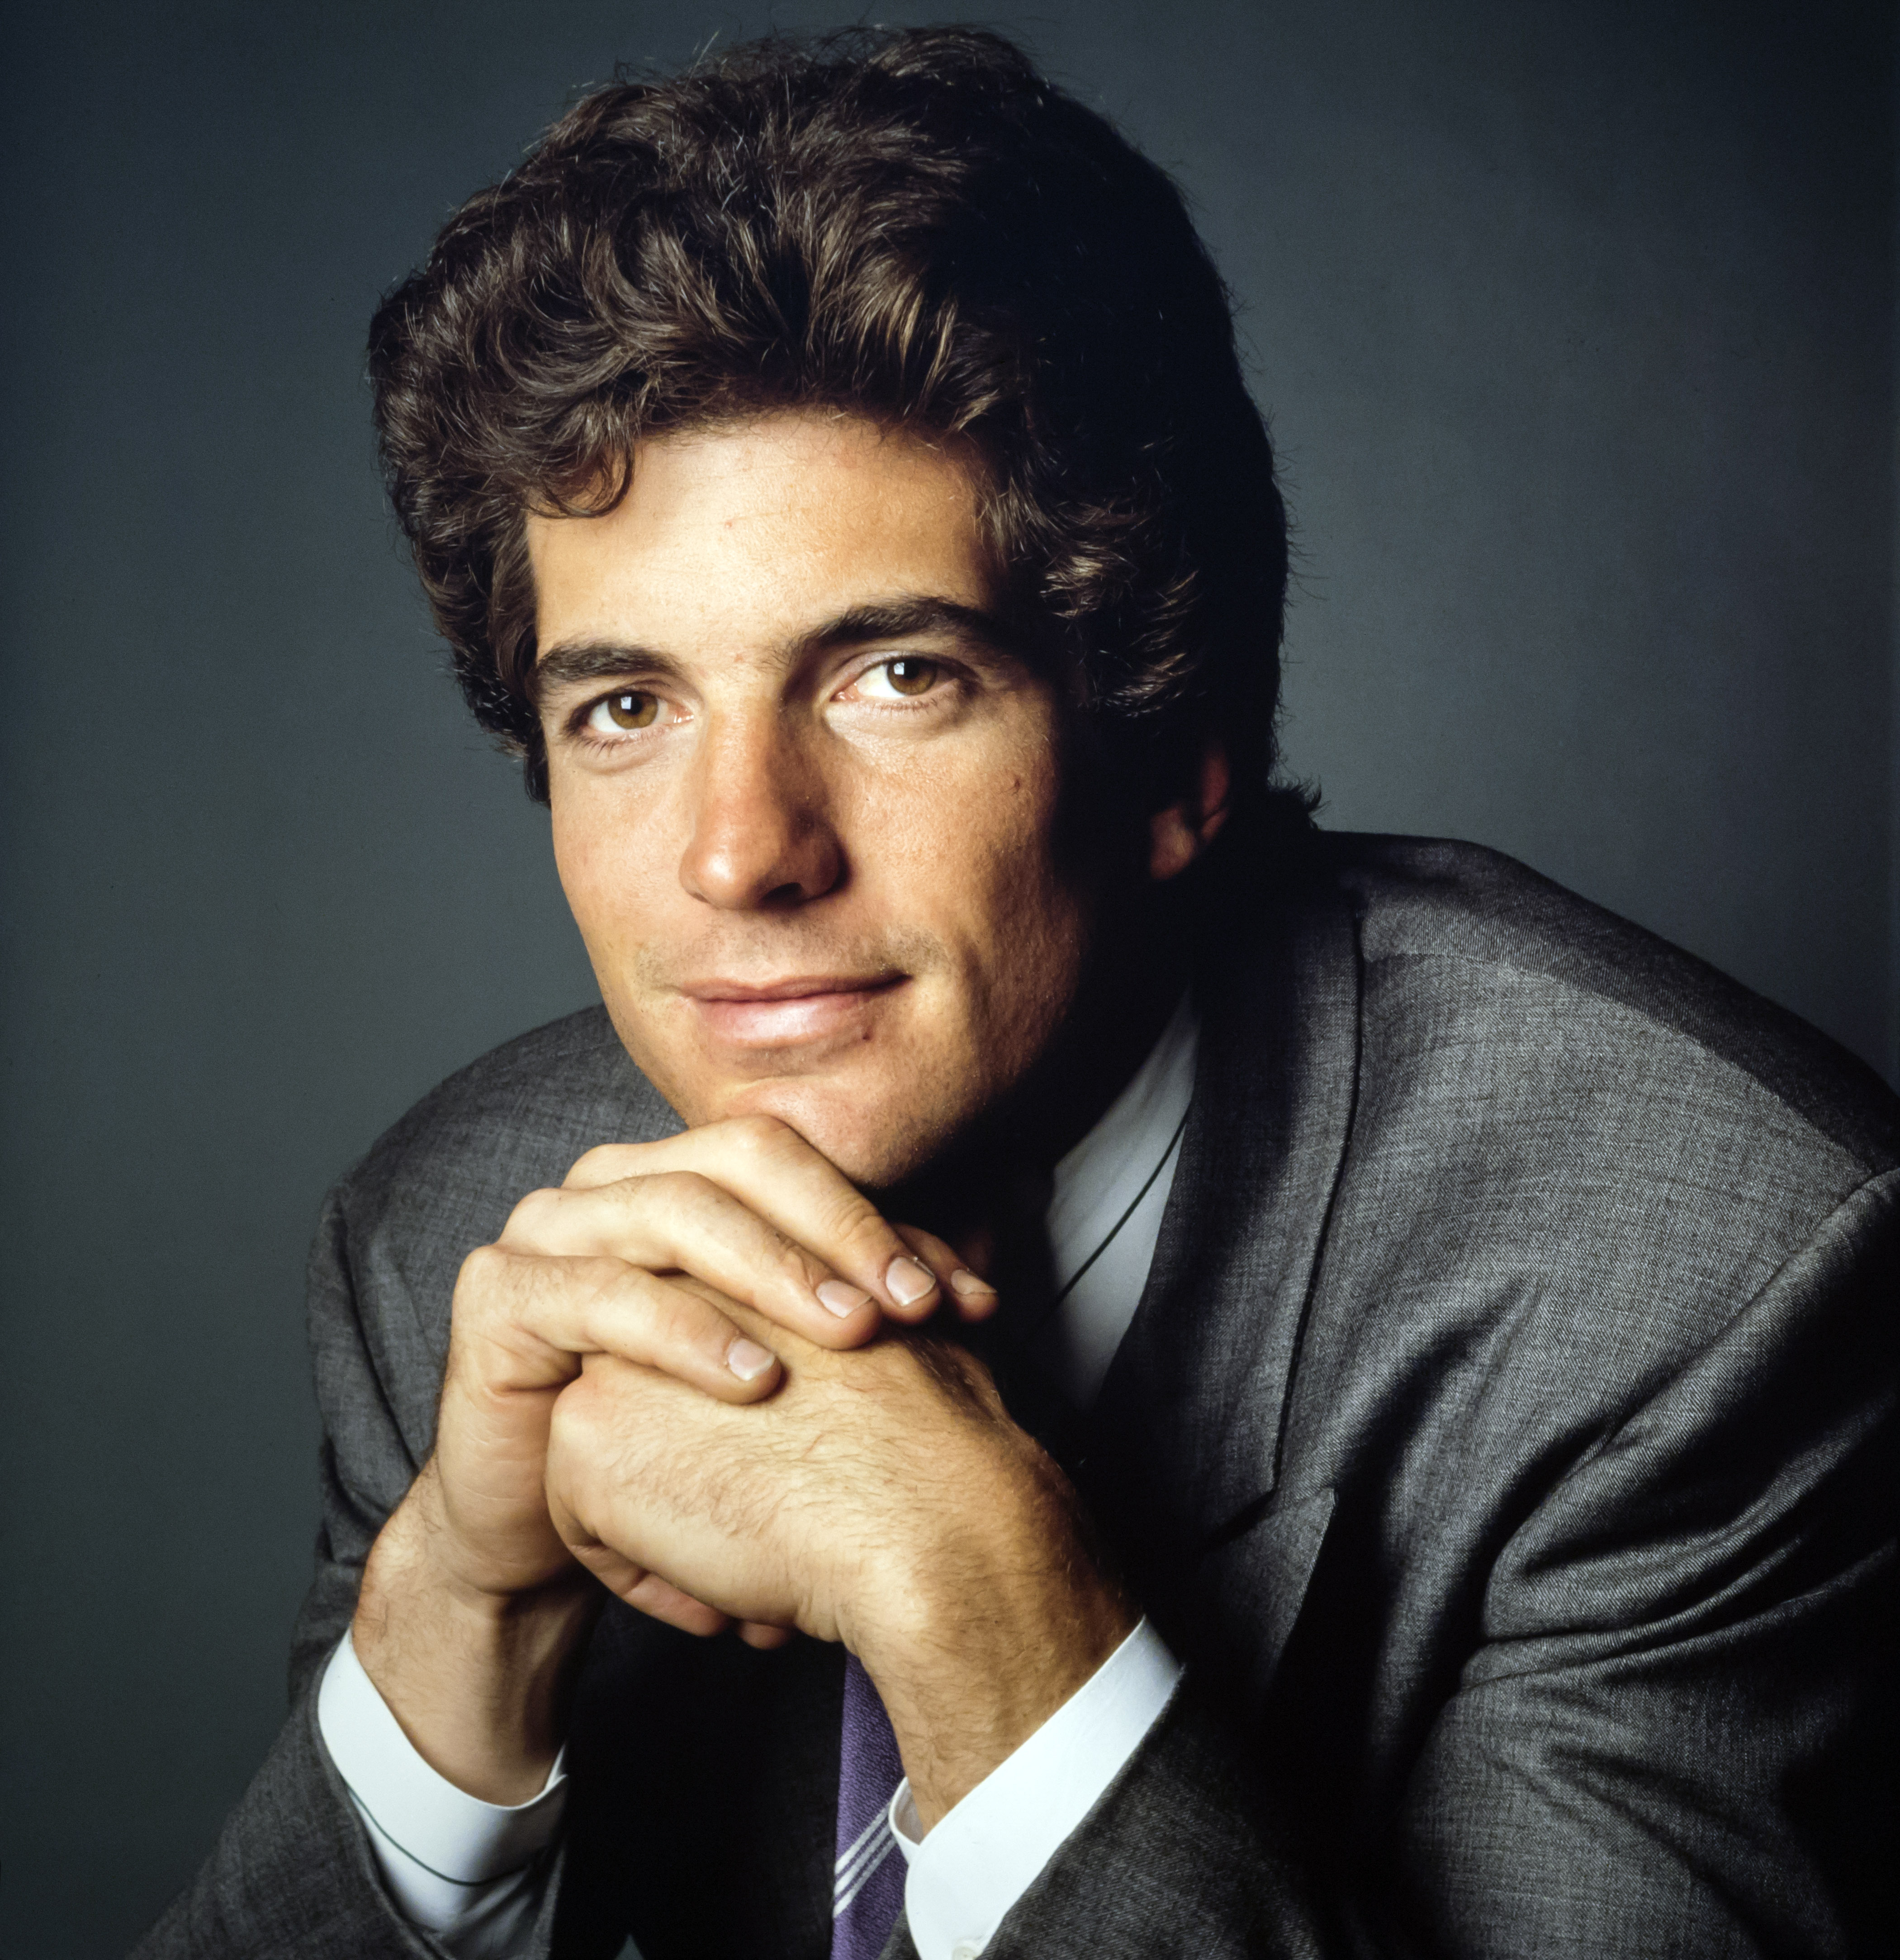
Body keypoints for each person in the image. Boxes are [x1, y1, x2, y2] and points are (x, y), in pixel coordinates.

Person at [136, 26, 1895, 1960]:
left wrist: (980, 1593)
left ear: (1176, 750)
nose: (740, 854)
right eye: (626, 706)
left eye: (893, 675)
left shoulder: (1703, 1283)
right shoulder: (454, 1246)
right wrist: (454, 1615)